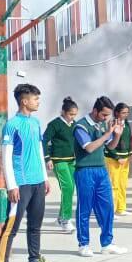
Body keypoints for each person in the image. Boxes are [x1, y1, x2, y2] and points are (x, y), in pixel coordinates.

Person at [0, 84, 56, 262]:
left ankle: (34, 260)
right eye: (35, 99)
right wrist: (11, 185)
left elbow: (39, 149)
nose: (38, 102)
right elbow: (6, 156)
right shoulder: (12, 125)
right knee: (11, 227)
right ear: (24, 101)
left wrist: (45, 178)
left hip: (37, 182)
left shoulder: (36, 122)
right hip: (20, 184)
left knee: (35, 225)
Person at [73, 96, 128, 257]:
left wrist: (116, 135)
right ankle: (83, 244)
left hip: (101, 170)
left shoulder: (103, 124)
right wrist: (107, 133)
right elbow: (89, 147)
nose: (105, 118)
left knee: (107, 207)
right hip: (85, 171)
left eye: (108, 115)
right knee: (85, 208)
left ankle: (107, 243)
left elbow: (110, 146)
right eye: (103, 115)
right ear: (95, 110)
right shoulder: (81, 126)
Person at [43, 97, 79, 234]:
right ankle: (65, 219)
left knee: (70, 189)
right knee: (67, 188)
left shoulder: (75, 124)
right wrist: (47, 158)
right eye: (70, 114)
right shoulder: (54, 124)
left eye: (74, 114)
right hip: (59, 161)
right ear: (63, 112)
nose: (72, 117)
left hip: (72, 161)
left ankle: (61, 217)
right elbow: (44, 141)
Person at [105, 103, 132, 217]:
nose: (126, 115)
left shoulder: (126, 124)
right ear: (117, 113)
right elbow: (107, 144)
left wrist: (131, 154)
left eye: (127, 112)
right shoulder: (111, 124)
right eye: (123, 112)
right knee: (114, 185)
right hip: (113, 159)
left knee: (122, 184)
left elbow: (129, 140)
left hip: (125, 159)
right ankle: (111, 210)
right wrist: (117, 157)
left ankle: (121, 208)